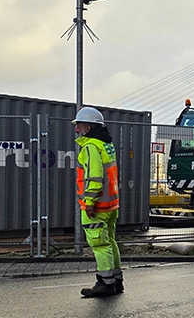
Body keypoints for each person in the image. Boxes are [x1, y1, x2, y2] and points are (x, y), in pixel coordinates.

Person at [72, 106, 122, 298]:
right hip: (111, 204)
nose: (76, 129)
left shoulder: (91, 146)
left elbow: (94, 176)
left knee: (100, 245)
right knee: (110, 242)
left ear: (89, 128)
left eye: (79, 126)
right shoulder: (106, 145)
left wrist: (90, 201)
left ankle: (106, 284)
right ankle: (116, 281)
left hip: (97, 205)